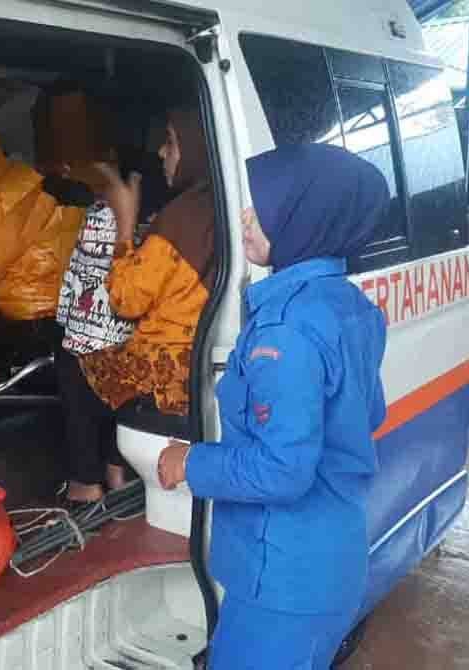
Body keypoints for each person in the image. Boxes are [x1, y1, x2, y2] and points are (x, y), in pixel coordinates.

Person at [156, 143, 390, 669]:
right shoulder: (348, 305)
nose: (244, 216)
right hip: (330, 559)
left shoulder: (286, 331)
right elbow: (366, 418)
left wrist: (190, 462)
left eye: (262, 206)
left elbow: (284, 470)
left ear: (303, 217)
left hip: (285, 578)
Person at [55, 108, 215, 505]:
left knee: (76, 352)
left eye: (172, 142)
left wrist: (124, 222)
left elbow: (126, 300)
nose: (163, 152)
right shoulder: (213, 204)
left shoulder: (181, 219)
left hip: (168, 373)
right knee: (109, 349)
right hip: (196, 352)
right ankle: (114, 467)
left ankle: (85, 480)